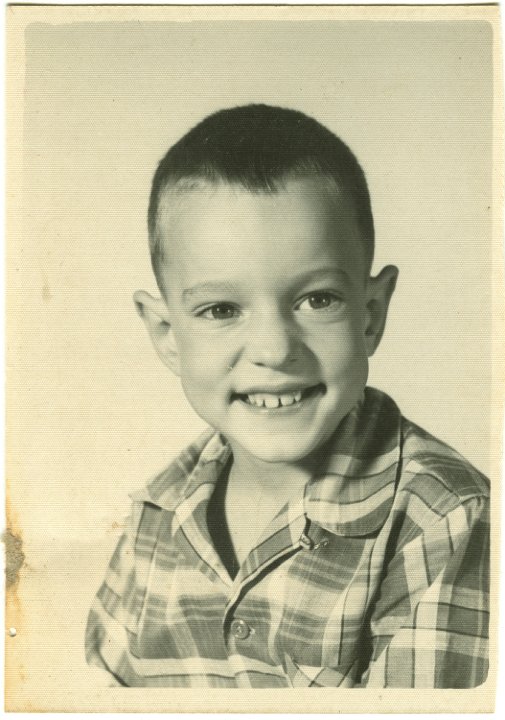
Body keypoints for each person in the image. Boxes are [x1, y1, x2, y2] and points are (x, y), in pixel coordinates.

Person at [85, 104, 489, 688]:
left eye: (317, 299)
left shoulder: (445, 521)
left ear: (371, 314)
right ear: (166, 334)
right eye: (221, 309)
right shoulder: (158, 510)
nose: (274, 350)